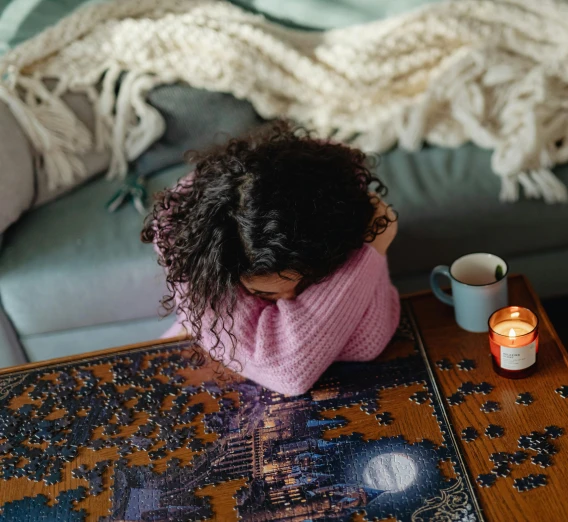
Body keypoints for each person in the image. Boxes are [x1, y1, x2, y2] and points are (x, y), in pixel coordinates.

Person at [141, 123, 400, 395]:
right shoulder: (193, 249)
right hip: (197, 374)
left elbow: (371, 336)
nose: (289, 300)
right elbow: (289, 372)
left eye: (304, 283)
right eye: (263, 292)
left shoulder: (337, 207)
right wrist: (371, 249)